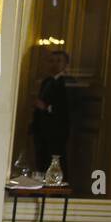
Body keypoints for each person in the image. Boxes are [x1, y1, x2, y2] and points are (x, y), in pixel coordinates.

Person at [31, 48, 71, 177]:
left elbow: (68, 106)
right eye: (52, 61)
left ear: (65, 64)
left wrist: (47, 107)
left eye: (59, 61)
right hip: (42, 128)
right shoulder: (47, 81)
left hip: (57, 130)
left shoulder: (68, 83)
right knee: (41, 160)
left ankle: (56, 191)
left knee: (55, 161)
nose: (55, 64)